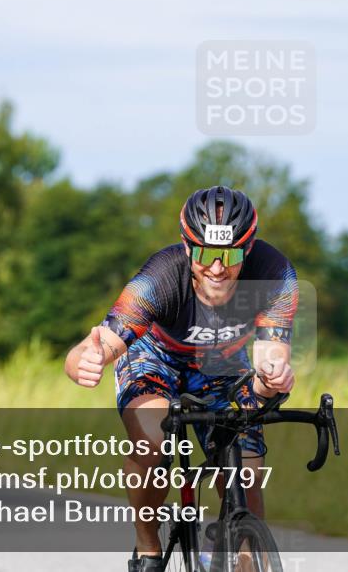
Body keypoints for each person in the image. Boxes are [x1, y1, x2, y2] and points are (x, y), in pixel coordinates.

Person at [64, 185, 298, 572]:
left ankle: (241, 557)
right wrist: (84, 363)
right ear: (188, 247)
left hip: (221, 366)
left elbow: (270, 357)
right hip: (154, 359)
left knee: (246, 471)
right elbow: (98, 346)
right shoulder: (161, 277)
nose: (218, 268)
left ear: (249, 248)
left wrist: (271, 379)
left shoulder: (274, 273)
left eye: (230, 254)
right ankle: (148, 547)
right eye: (206, 254)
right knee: (154, 441)